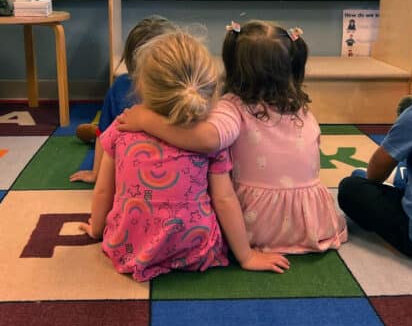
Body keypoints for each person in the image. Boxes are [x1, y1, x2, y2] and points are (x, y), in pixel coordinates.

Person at [117, 21, 347, 254]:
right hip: (312, 222)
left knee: (207, 172)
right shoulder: (301, 109)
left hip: (258, 224)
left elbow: (208, 141)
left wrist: (146, 120)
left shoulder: (233, 107)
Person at [79, 31, 290, 281]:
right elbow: (224, 199)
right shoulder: (208, 141)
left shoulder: (122, 126)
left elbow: (104, 190)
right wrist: (246, 256)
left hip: (128, 248)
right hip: (195, 249)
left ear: (142, 86)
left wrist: (96, 229)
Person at [337, 62, 412, 263]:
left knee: (351, 187)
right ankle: (404, 177)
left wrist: (370, 181)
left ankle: (403, 176)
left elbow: (377, 171)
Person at [70, 15, 175, 184]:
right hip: (127, 148)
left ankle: (91, 131)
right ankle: (92, 132)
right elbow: (104, 134)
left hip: (158, 156)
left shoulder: (179, 92)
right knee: (108, 131)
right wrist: (96, 173)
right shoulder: (121, 87)